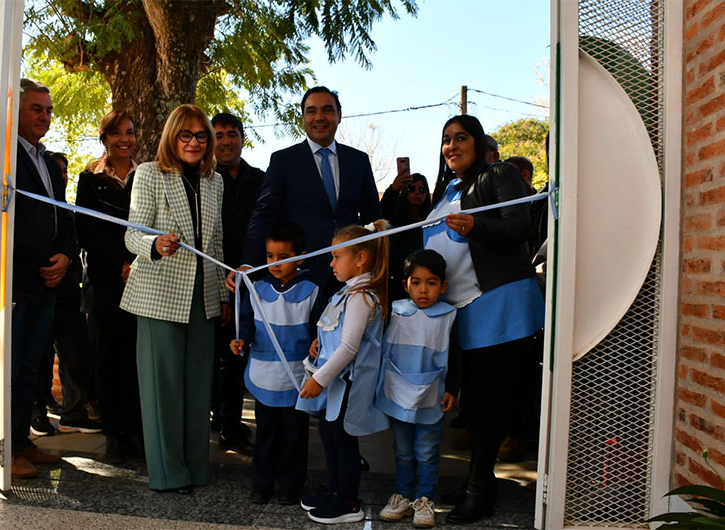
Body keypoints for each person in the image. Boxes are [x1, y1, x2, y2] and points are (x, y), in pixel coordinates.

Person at [426, 115, 544, 524]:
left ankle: (480, 491)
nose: (452, 145)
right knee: (476, 402)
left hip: (500, 302)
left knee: (490, 401)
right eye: (446, 140)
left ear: (477, 142)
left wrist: (477, 225)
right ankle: (479, 479)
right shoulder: (445, 190)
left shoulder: (500, 174)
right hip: (464, 306)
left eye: (461, 137)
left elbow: (520, 225)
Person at [119, 104, 230, 493]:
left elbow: (214, 243)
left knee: (198, 391)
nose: (194, 142)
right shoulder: (149, 174)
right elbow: (132, 235)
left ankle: (197, 469)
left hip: (203, 300)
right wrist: (155, 243)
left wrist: (221, 295)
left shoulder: (215, 181)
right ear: (171, 137)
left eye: (201, 136)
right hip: (159, 298)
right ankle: (168, 474)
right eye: (186, 135)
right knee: (162, 389)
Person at [229, 86, 382, 295]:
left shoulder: (358, 160)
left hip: (352, 278)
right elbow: (264, 214)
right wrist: (248, 263)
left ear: (339, 116)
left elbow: (373, 217)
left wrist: (378, 265)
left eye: (327, 110)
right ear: (303, 118)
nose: (319, 117)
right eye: (311, 111)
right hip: (300, 278)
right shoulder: (283, 161)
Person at [297, 221, 391, 524]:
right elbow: (337, 334)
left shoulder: (362, 296)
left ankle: (348, 500)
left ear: (360, 258)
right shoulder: (349, 293)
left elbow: (350, 348)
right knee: (329, 434)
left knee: (343, 438)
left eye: (337, 256)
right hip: (337, 382)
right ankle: (335, 489)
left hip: (347, 382)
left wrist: (317, 379)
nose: (331, 262)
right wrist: (318, 342)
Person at [229, 223, 325, 506]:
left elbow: (318, 329)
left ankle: (291, 487)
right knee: (266, 435)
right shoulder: (255, 288)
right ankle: (262, 485)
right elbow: (245, 323)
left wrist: (317, 343)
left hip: (296, 378)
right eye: (270, 256)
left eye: (282, 257)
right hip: (264, 377)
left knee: (294, 436)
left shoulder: (312, 291)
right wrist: (241, 340)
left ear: (300, 257)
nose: (274, 263)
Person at [11, 78, 75, 478]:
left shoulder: (50, 163)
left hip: (48, 284)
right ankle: (4, 448)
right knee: (12, 367)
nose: (45, 117)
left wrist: (66, 256)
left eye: (49, 110)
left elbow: (63, 215)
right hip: (14, 280)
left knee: (34, 367)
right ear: (15, 110)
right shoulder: (1, 155)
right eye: (37, 108)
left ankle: (21, 442)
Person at [76, 110, 143, 463]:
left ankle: (136, 432)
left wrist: (133, 261)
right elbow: (87, 229)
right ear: (104, 139)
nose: (124, 140)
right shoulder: (89, 179)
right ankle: (113, 435)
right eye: (116, 134)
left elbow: (149, 223)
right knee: (107, 360)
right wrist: (116, 262)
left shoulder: (146, 175)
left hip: (140, 277)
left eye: (130, 133)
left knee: (135, 359)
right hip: (103, 282)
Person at [375, 249, 459, 528]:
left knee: (427, 451)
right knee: (402, 449)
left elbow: (457, 355)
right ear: (405, 284)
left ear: (443, 286)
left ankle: (425, 500)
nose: (423, 290)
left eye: (431, 283)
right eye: (417, 282)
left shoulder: (449, 316)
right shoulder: (396, 311)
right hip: (399, 391)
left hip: (431, 394)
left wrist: (453, 388)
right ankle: (402, 496)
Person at [31, 151, 101, 437]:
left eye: (63, 171)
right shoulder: (35, 205)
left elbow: (75, 239)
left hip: (69, 293)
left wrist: (67, 258)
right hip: (41, 287)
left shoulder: (66, 209)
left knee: (76, 354)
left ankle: (74, 413)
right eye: (56, 170)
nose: (61, 175)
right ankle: (36, 415)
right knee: (39, 357)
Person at [211, 112, 264, 455]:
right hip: (215, 279)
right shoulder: (203, 179)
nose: (226, 141)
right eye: (219, 135)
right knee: (219, 356)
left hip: (255, 280)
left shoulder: (261, 179)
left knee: (242, 354)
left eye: (232, 134)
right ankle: (223, 421)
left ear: (242, 138)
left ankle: (232, 421)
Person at [380, 172, 432, 302]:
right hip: (398, 279)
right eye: (411, 188)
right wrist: (394, 188)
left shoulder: (431, 217)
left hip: (425, 277)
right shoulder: (396, 214)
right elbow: (382, 212)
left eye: (422, 190)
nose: (417, 193)